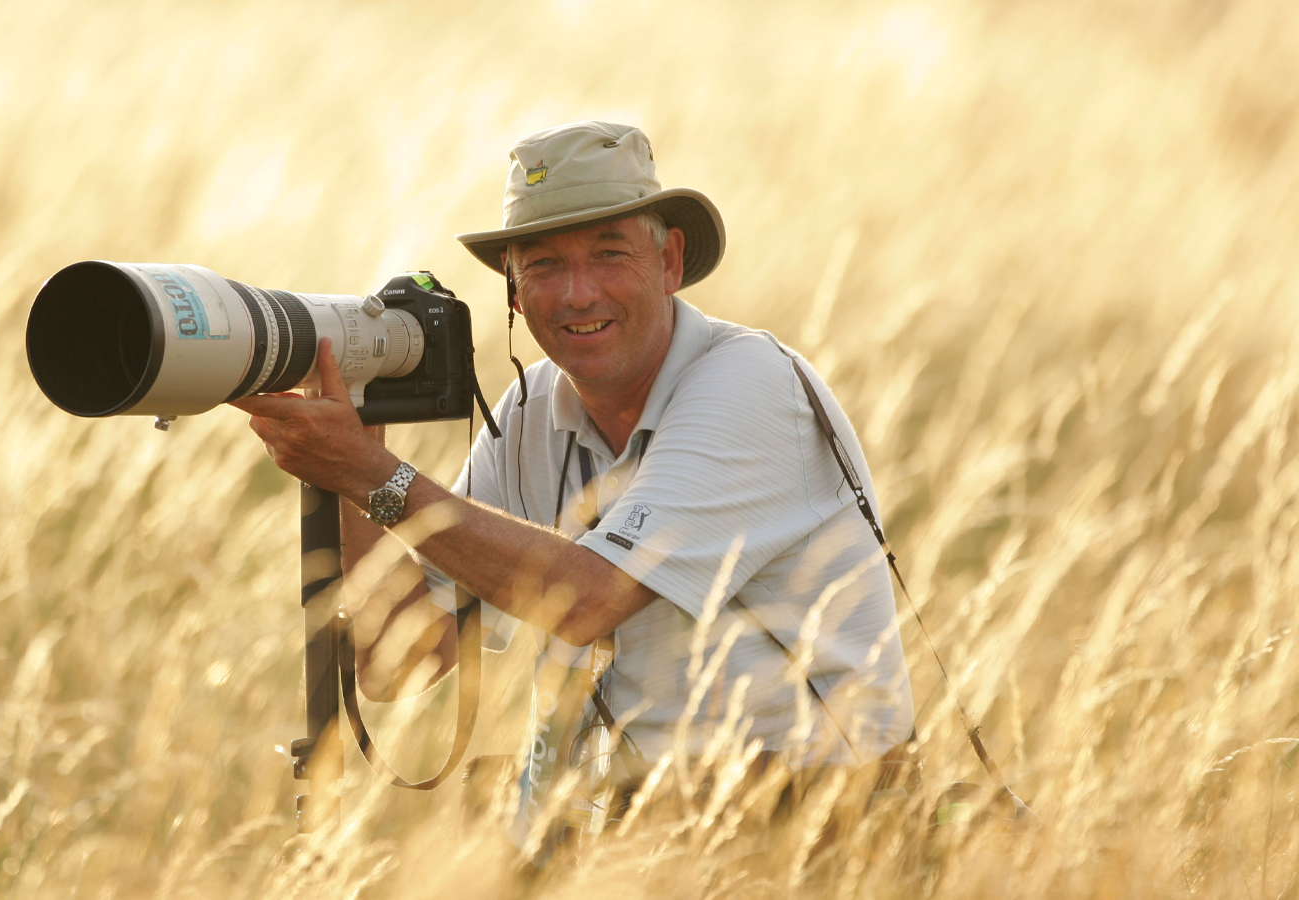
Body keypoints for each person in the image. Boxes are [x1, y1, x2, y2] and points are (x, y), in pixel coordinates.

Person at [233, 121, 915, 848]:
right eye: (545, 265)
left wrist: (372, 473)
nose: (577, 293)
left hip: (804, 829)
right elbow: (398, 664)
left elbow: (591, 599)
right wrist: (354, 469)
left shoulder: (752, 383)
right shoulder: (530, 411)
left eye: (608, 255)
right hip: (605, 835)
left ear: (670, 261)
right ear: (515, 293)